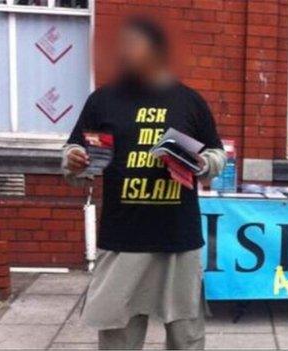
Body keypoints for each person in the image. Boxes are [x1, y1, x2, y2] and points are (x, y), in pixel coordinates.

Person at [62, 17, 225, 349]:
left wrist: (204, 162)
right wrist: (74, 159)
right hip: (123, 237)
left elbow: (217, 155)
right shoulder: (102, 100)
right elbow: (76, 150)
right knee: (117, 336)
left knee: (186, 335)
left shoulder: (189, 101)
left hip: (178, 238)